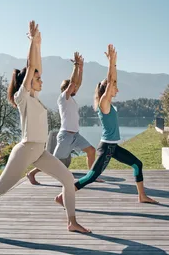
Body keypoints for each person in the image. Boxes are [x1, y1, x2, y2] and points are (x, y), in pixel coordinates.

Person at [0, 21, 90, 234]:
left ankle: (72, 222)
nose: (41, 80)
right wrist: (32, 43)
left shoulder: (34, 98)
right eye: (37, 79)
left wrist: (39, 45)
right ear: (27, 82)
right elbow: (31, 67)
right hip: (26, 150)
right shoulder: (23, 98)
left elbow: (35, 68)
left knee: (67, 178)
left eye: (39, 78)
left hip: (39, 151)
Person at [54, 44, 158, 207]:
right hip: (107, 147)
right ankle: (62, 195)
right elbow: (111, 81)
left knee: (137, 164)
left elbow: (109, 82)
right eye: (114, 87)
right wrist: (112, 63)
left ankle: (142, 196)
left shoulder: (106, 103)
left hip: (112, 147)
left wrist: (108, 64)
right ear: (107, 90)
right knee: (91, 177)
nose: (117, 88)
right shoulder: (104, 103)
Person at [26, 52, 104, 185]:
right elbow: (74, 82)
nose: (76, 88)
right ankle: (31, 174)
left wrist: (81, 68)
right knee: (52, 161)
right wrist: (75, 65)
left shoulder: (71, 99)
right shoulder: (63, 98)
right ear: (67, 88)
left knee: (91, 151)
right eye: (73, 87)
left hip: (76, 136)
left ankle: (92, 176)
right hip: (65, 137)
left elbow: (77, 82)